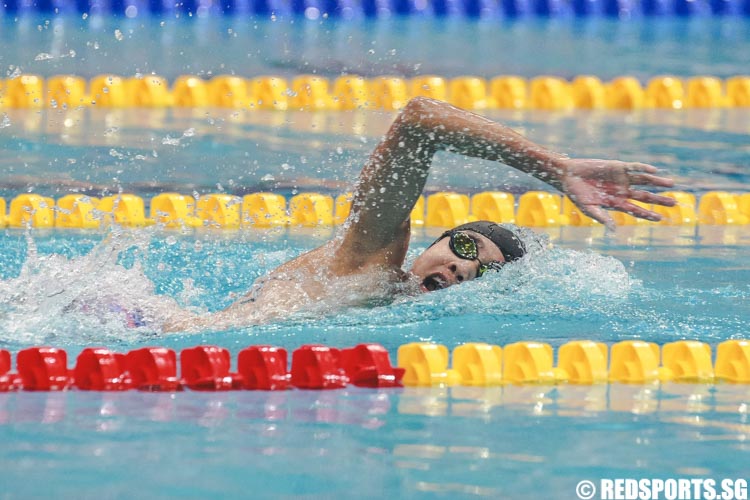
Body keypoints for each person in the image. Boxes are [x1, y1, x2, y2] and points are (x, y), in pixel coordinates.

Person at [162, 97, 675, 332]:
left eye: (484, 271)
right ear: (437, 241)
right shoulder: (370, 261)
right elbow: (418, 120)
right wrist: (554, 167)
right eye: (466, 249)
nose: (462, 269)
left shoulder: (396, 311)